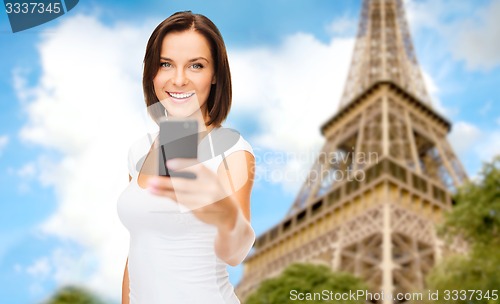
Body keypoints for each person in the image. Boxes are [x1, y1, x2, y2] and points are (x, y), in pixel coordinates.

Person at [117, 11, 256, 304]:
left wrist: (225, 212)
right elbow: (138, 252)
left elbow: (236, 254)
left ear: (215, 74)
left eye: (196, 65)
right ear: (151, 72)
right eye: (166, 64)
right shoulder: (138, 152)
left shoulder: (231, 150)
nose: (178, 79)